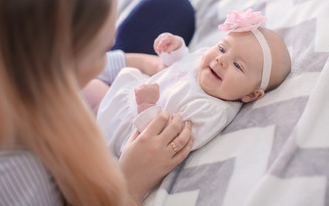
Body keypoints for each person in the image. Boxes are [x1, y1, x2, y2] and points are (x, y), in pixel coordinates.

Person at [0, 0, 193, 205]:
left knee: (172, 9)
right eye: (100, 51)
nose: (106, 55)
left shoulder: (1, 68)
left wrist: (136, 60)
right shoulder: (17, 178)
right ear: (54, 72)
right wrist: (131, 185)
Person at [96, 9, 291, 156]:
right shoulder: (209, 64)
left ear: (250, 95)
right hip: (119, 103)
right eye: (222, 49)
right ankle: (87, 66)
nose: (221, 59)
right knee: (94, 91)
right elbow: (184, 61)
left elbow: (165, 142)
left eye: (238, 66)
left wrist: (146, 106)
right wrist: (175, 48)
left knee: (90, 109)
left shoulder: (211, 110)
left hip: (127, 135)